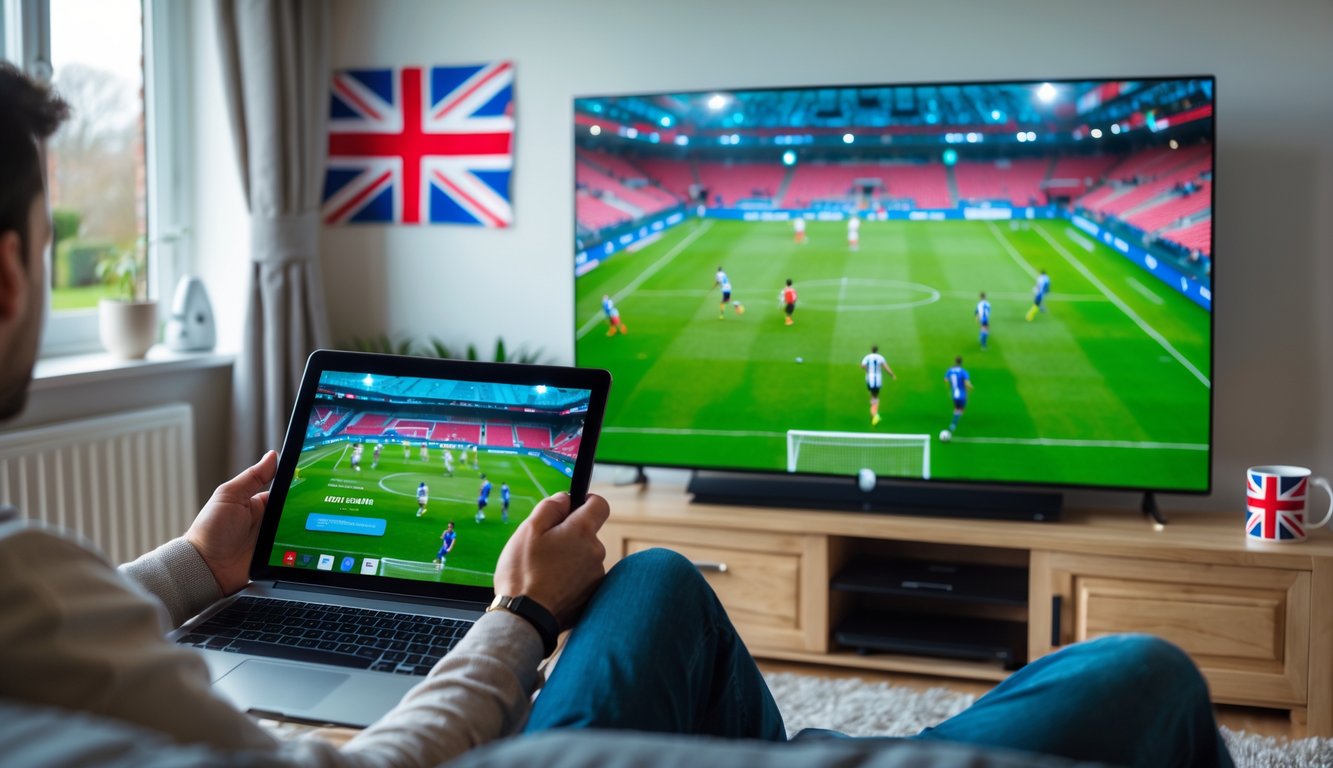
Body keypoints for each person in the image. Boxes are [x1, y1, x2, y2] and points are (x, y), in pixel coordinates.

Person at [0, 63, 1235, 768]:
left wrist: (191, 567)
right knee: (1145, 676)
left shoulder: (33, 596)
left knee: (651, 586)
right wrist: (523, 614)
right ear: (9, 280)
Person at [860, 345, 896, 427]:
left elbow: (862, 366)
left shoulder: (867, 357)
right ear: (877, 350)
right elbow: (886, 368)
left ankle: (874, 414)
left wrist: (868, 370)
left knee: (872, 396)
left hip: (870, 378)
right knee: (875, 396)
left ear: (871, 350)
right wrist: (892, 375)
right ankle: (874, 413)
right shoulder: (880, 357)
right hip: (878, 379)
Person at [944, 355, 974, 437]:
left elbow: (946, 380)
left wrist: (950, 386)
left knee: (956, 408)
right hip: (962, 394)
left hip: (954, 394)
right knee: (961, 409)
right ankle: (953, 424)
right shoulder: (963, 372)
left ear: (955, 361)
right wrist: (970, 387)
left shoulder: (950, 370)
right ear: (961, 363)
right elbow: (966, 382)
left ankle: (955, 418)